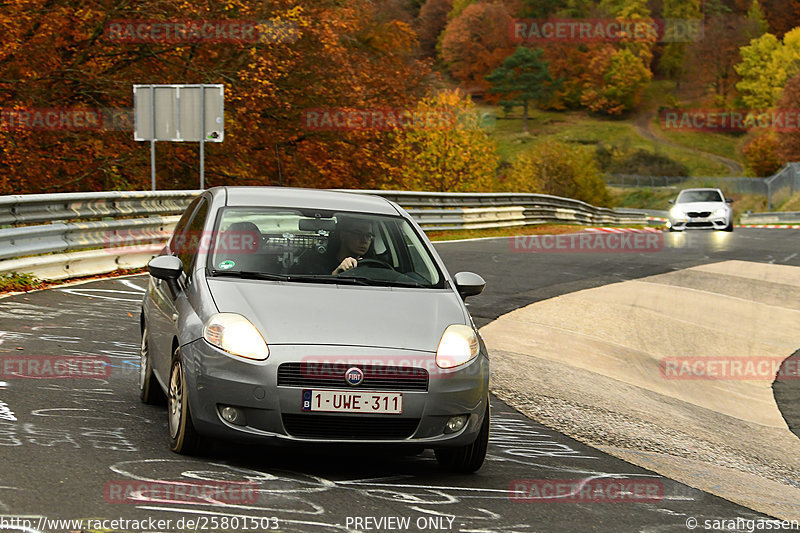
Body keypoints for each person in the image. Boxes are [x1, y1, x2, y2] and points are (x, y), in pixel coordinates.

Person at [292, 215, 375, 275]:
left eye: (368, 236)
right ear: (343, 235)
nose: (364, 240)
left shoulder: (374, 267)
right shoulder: (314, 264)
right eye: (358, 233)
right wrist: (336, 273)